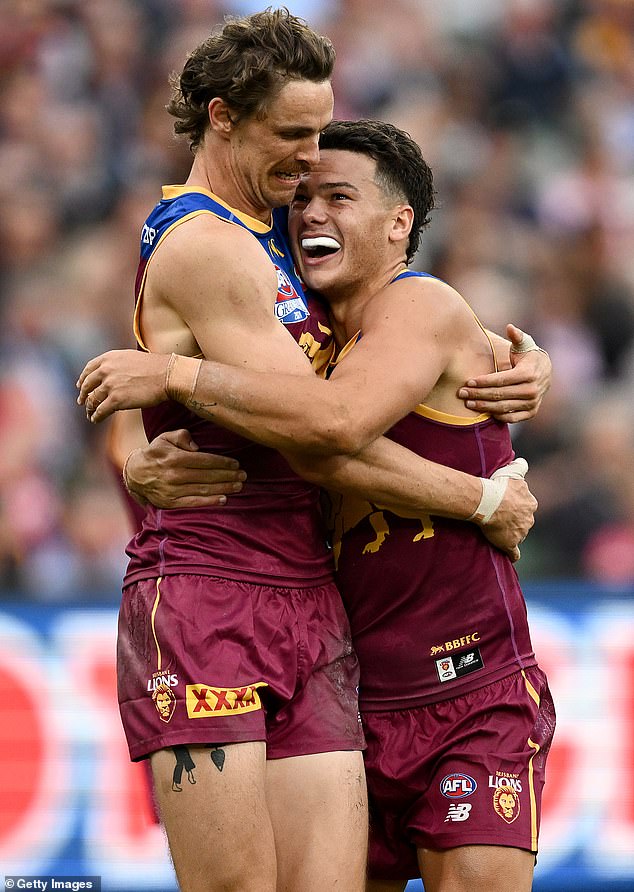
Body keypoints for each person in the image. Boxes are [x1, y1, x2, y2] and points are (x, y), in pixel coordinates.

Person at [78, 118, 554, 892]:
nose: (311, 213)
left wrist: (175, 375)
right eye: (303, 196)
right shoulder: (301, 334)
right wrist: (140, 463)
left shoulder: (422, 305)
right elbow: (139, 419)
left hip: (467, 695)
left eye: (340, 195)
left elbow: (329, 430)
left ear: (400, 223)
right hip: (351, 697)